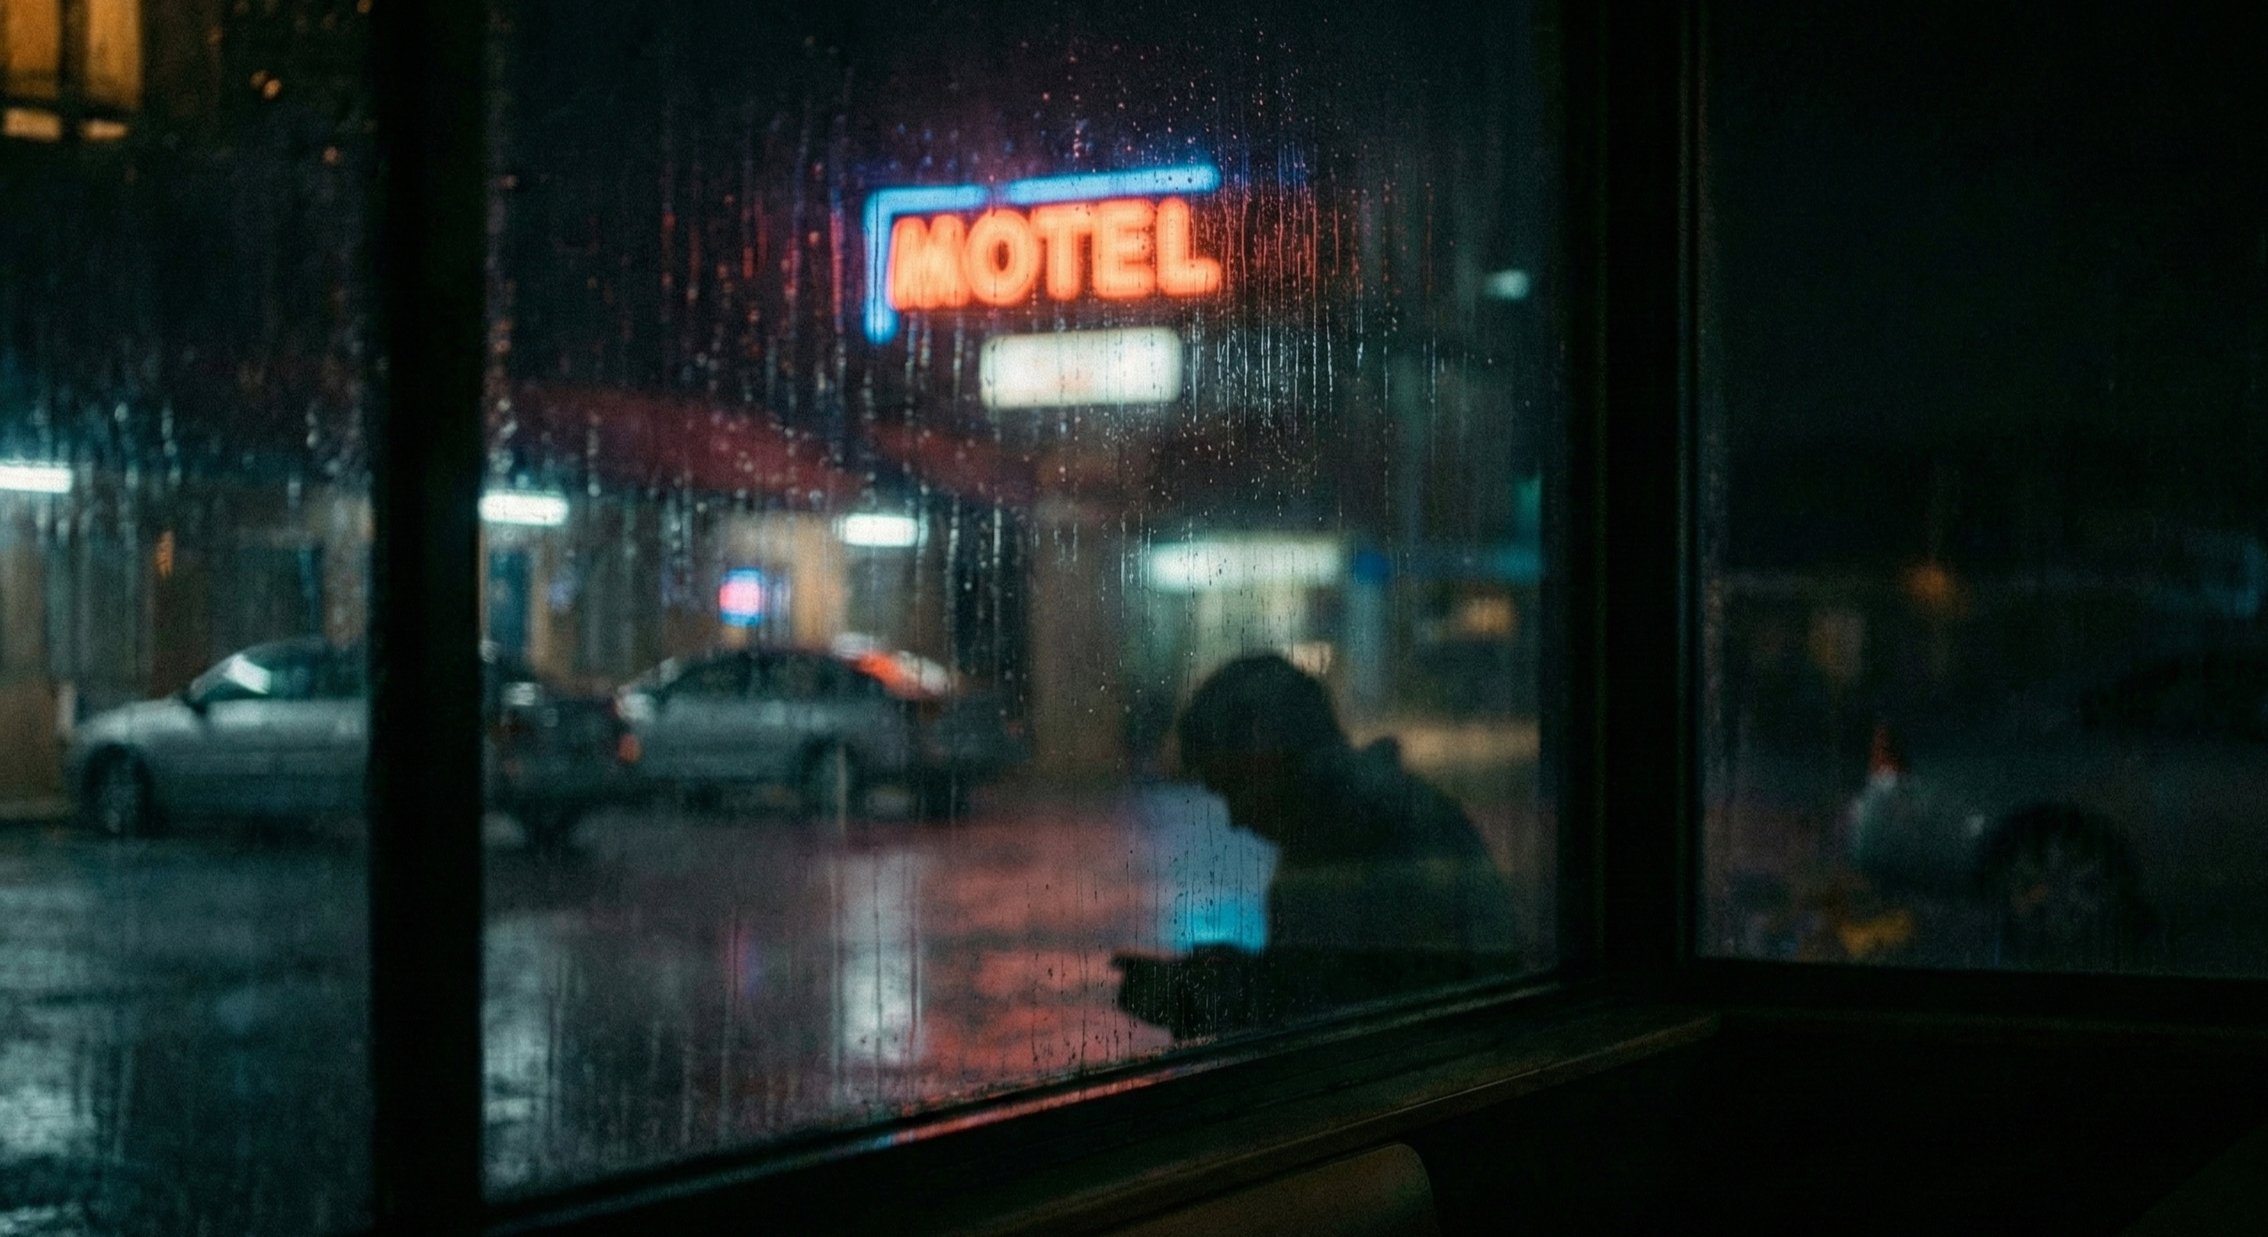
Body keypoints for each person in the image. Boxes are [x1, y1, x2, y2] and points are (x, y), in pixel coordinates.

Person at [1116, 654, 1521, 1039]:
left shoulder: (1350, 836)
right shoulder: (1374, 812)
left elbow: (1334, 1008)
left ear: (1264, 749)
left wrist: (1206, 993)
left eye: (1234, 787)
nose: (1236, 818)